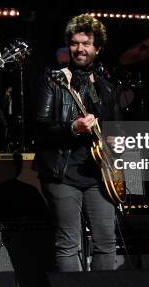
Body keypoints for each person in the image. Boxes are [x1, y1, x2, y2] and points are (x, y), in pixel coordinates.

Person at [34, 14, 121, 271]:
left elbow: (116, 128)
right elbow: (40, 128)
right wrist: (72, 127)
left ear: (98, 48)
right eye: (74, 43)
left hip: (100, 174)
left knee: (106, 242)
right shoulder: (55, 81)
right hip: (63, 172)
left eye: (86, 43)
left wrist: (116, 140)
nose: (79, 49)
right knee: (68, 244)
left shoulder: (106, 86)